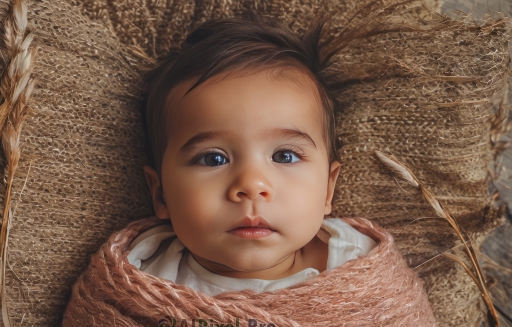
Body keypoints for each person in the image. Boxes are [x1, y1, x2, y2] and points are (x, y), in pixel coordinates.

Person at [133, 11, 378, 296]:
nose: (251, 185)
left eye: (284, 156)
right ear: (161, 194)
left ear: (328, 189)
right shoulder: (142, 278)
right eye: (214, 159)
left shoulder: (359, 262)